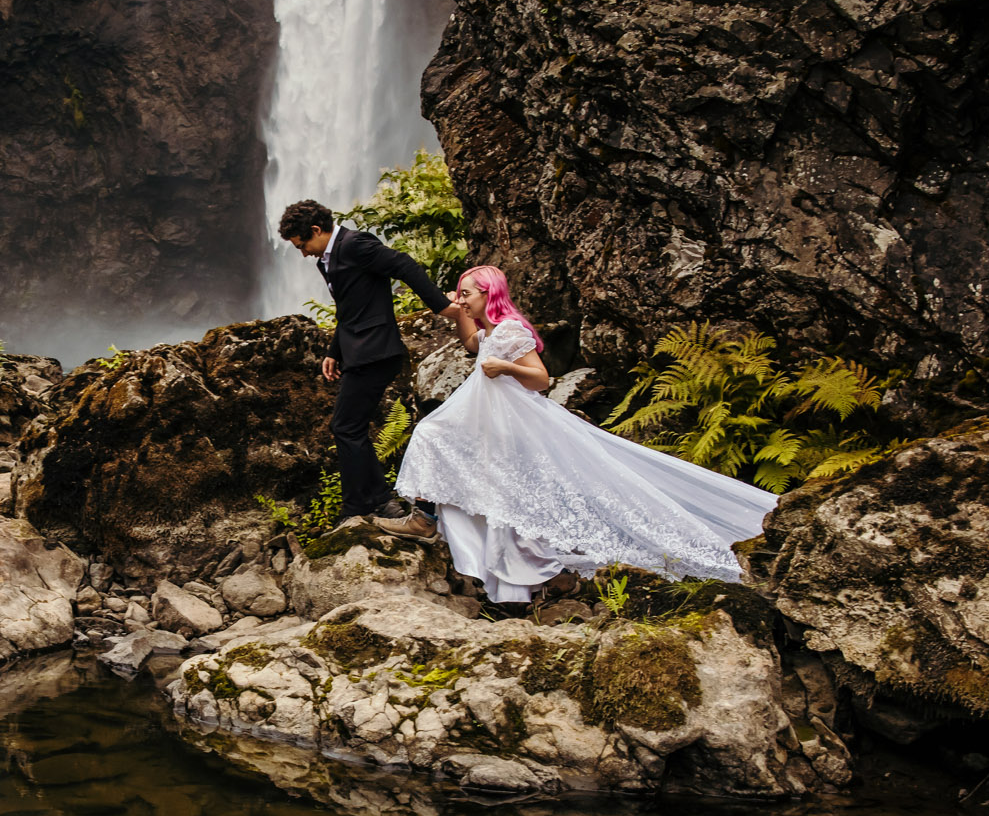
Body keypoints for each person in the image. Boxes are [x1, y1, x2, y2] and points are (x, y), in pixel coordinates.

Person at [395, 265, 779, 601]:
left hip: (516, 427)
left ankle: (435, 523)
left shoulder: (510, 331)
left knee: (439, 439)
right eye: (460, 293)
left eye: (467, 293)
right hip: (492, 428)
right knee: (493, 489)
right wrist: (456, 311)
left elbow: (541, 380)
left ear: (488, 294)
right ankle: (508, 575)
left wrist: (507, 368)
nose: (462, 298)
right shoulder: (490, 335)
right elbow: (469, 342)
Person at [279, 198, 467, 539]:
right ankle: (375, 501)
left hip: (376, 351)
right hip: (359, 351)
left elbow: (405, 264)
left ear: (317, 230)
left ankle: (364, 505)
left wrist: (443, 308)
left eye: (302, 243)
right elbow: (347, 307)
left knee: (345, 426)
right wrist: (334, 350)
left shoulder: (356, 245)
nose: (303, 252)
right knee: (348, 427)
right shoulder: (329, 257)